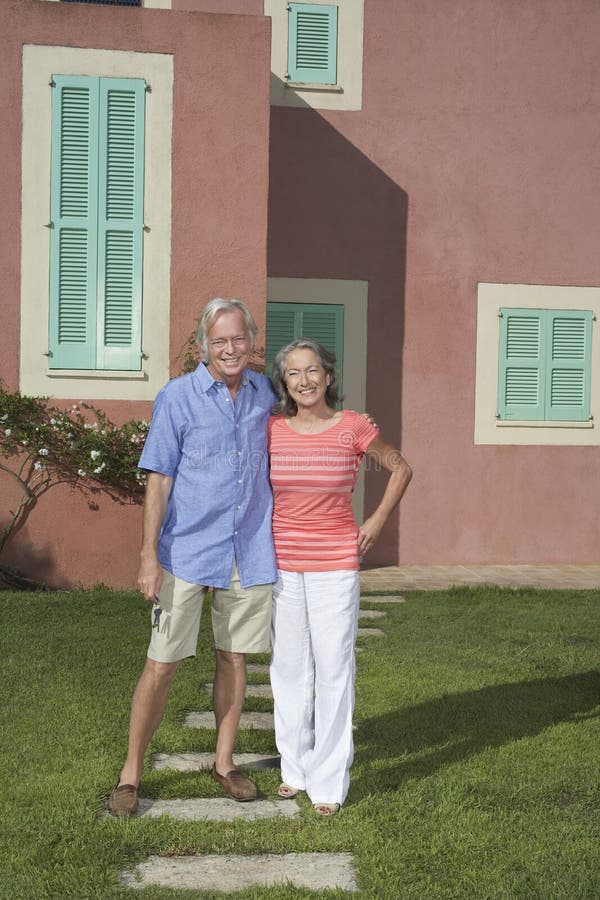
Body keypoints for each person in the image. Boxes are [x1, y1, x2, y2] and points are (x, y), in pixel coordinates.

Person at [108, 298, 277, 817]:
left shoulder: (265, 393)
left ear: (251, 342)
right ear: (203, 347)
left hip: (247, 549)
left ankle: (224, 764)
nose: (230, 348)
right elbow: (159, 479)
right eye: (219, 341)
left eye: (239, 339)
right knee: (162, 663)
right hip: (185, 551)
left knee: (234, 657)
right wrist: (147, 557)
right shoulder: (177, 398)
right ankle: (130, 774)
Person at [268, 338, 412, 816]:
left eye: (313, 371)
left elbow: (400, 468)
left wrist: (374, 522)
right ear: (284, 383)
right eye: (294, 373)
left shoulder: (352, 428)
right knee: (289, 667)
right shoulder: (272, 430)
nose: (304, 380)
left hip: (334, 565)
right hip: (282, 564)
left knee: (333, 669)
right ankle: (294, 767)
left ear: (329, 377)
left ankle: (327, 780)